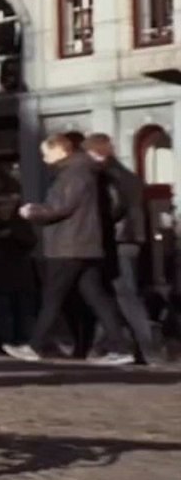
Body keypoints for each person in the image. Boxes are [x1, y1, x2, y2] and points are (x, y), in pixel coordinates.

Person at [4, 133, 135, 365]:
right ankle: (121, 347)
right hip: (84, 245)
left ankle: (35, 346)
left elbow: (62, 207)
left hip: (69, 245)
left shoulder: (73, 173)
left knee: (53, 297)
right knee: (97, 297)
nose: (44, 159)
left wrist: (33, 212)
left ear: (60, 150)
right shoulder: (83, 171)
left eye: (46, 153)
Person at [86, 133, 165, 364]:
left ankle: (146, 349)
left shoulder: (109, 176)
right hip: (130, 240)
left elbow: (115, 207)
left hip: (119, 240)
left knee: (124, 295)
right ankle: (106, 345)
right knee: (114, 294)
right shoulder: (127, 175)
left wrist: (100, 224)